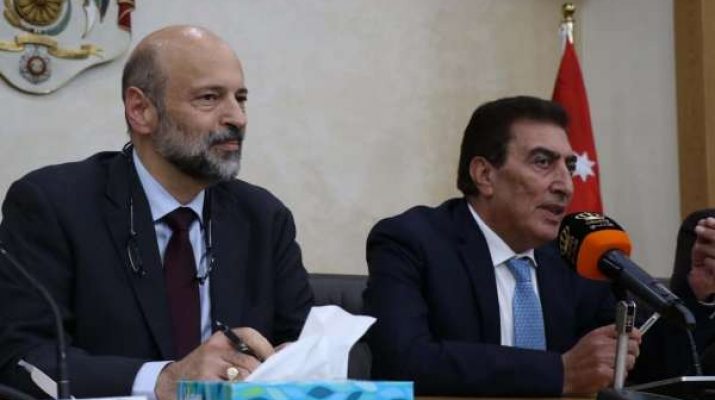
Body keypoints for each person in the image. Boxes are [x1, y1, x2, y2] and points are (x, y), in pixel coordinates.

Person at [0, 26, 313, 400]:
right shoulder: (53, 205)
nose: (237, 117)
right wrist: (163, 379)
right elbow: (22, 358)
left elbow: (306, 342)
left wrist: (298, 362)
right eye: (209, 98)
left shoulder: (263, 218)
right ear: (141, 110)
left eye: (240, 99)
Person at [364, 96, 642, 396]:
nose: (566, 186)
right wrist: (558, 372)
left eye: (570, 167)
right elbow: (402, 362)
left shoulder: (574, 255)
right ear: (485, 175)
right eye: (543, 162)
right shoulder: (412, 241)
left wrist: (689, 299)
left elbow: (642, 368)